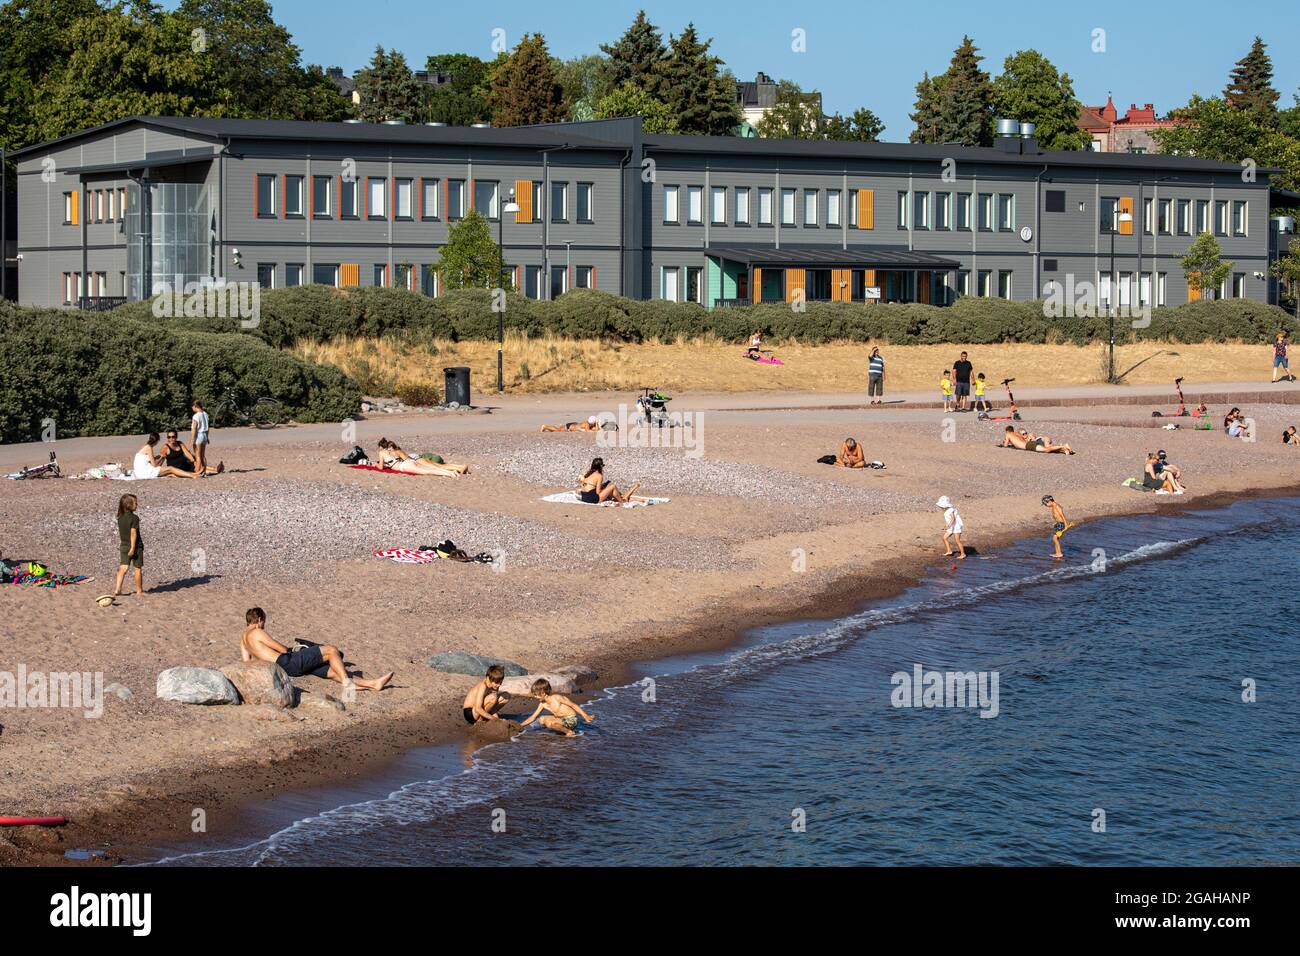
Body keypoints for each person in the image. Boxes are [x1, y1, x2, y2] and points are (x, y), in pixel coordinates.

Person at [240, 607, 392, 691]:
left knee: (332, 671)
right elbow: (282, 649)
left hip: (285, 669)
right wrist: (290, 650)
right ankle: (347, 683)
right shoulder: (257, 632)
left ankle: (373, 684)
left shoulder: (243, 639)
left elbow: (246, 662)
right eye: (264, 621)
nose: (264, 625)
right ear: (259, 620)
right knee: (331, 650)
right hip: (288, 662)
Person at [517, 678, 594, 737]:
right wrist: (520, 726)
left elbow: (573, 705)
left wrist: (585, 715)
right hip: (561, 720)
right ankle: (561, 729)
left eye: (536, 695)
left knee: (551, 724)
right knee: (542, 719)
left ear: (543, 693)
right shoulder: (542, 704)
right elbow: (533, 717)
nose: (535, 697)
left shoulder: (557, 698)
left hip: (571, 719)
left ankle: (569, 732)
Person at [375, 437, 470, 476]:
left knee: (435, 467)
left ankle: (459, 468)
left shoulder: (391, 451)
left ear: (382, 447)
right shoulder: (394, 449)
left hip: (414, 459)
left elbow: (405, 459)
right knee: (438, 466)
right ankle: (459, 467)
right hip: (415, 458)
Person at [112, 493, 145, 596]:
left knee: (123, 567)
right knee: (137, 568)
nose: (137, 504)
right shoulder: (134, 518)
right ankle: (139, 591)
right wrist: (133, 548)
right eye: (135, 503)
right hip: (135, 547)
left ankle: (117, 589)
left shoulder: (120, 517)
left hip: (124, 546)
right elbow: (133, 533)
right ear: (128, 505)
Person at [1002, 425, 1075, 455]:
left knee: (1047, 450)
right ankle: (1064, 450)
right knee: (1047, 449)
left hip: (1028, 445)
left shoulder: (1008, 434)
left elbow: (1005, 445)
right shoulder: (1017, 433)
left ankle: (1063, 446)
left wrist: (1005, 443)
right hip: (1030, 443)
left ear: (1007, 431)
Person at [1042, 494, 1070, 560]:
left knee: (1055, 538)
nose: (1046, 506)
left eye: (1045, 504)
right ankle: (1057, 553)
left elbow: (1062, 515)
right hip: (1058, 523)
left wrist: (1066, 525)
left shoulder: (1056, 506)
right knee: (1056, 539)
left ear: (1049, 501)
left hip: (1061, 524)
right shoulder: (1054, 505)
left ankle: (1059, 553)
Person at [190, 401, 210, 477]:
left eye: (192, 407)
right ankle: (203, 471)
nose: (192, 409)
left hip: (198, 435)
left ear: (195, 406)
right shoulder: (205, 414)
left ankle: (197, 472)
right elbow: (208, 427)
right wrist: (207, 437)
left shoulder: (196, 416)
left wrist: (192, 439)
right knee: (202, 455)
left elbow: (194, 428)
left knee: (197, 455)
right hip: (204, 435)